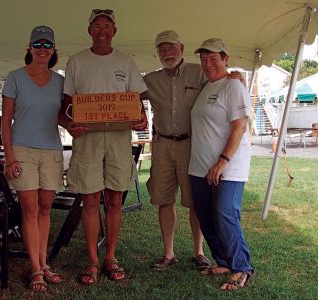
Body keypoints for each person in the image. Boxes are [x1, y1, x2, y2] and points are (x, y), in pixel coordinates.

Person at [59, 9, 148, 285]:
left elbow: (139, 104)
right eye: (96, 25)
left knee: (113, 200)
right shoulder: (76, 62)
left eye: (107, 26)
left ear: (114, 31)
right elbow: (64, 109)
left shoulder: (126, 61)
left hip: (119, 139)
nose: (102, 30)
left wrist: (142, 119)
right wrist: (68, 124)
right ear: (89, 30)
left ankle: (110, 256)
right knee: (90, 199)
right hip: (87, 139)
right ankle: (92, 261)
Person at [189, 38, 255, 290]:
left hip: (228, 167)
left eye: (214, 58)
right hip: (200, 166)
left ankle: (242, 267)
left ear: (226, 59)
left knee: (225, 213)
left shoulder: (233, 86)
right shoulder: (207, 85)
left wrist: (222, 161)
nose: (208, 64)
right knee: (206, 215)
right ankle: (224, 260)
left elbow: (240, 126)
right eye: (204, 59)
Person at [2, 25, 64, 292]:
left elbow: (64, 116)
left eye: (46, 45)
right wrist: (9, 158)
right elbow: (5, 121)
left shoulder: (61, 81)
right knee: (29, 210)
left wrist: (77, 126)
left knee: (45, 209)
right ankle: (36, 269)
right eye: (37, 44)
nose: (42, 49)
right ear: (29, 48)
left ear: (53, 50)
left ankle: (44, 263)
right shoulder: (14, 77)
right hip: (23, 151)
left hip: (51, 149)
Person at [144, 30, 210, 271]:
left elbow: (221, 83)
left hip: (191, 145)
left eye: (171, 47)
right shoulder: (149, 80)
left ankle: (199, 252)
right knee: (164, 199)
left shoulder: (199, 72)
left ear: (181, 47)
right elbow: (126, 98)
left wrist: (234, 76)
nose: (167, 53)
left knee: (195, 201)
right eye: (162, 49)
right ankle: (168, 253)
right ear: (157, 53)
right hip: (161, 145)